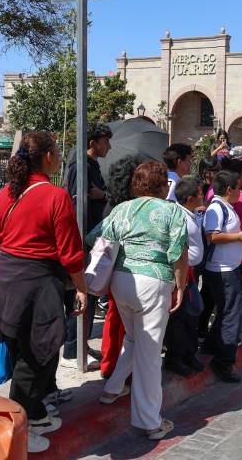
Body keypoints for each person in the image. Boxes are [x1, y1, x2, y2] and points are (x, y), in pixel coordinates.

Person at [0, 131, 87, 454]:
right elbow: (70, 251)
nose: (59, 156)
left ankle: (36, 412)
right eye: (57, 150)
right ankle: (19, 429)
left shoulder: (6, 194)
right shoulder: (55, 196)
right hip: (37, 282)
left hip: (7, 278)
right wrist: (82, 287)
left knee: (23, 349)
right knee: (37, 355)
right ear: (47, 157)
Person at [88, 161, 187, 442]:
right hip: (154, 282)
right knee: (149, 354)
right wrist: (180, 286)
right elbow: (179, 251)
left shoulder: (123, 208)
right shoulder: (171, 210)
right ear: (162, 185)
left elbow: (95, 237)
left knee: (134, 338)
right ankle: (150, 421)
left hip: (122, 282)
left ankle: (112, 389)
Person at [62, 123, 112, 368]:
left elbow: (100, 193)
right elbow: (74, 204)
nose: (109, 147)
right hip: (81, 242)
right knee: (80, 295)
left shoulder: (92, 166)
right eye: (105, 142)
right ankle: (73, 347)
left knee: (88, 294)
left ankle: (80, 343)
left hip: (91, 240)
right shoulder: (78, 167)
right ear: (93, 142)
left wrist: (101, 194)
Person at [97, 154, 148, 379]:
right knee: (119, 322)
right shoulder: (124, 208)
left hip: (120, 273)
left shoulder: (116, 205)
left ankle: (113, 365)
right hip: (124, 272)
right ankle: (113, 367)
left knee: (117, 320)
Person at [201, 170, 242, 382]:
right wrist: (239, 236)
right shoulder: (216, 207)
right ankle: (223, 362)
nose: (240, 192)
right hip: (221, 270)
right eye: (238, 188)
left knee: (226, 310)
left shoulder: (226, 207)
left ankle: (211, 345)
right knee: (233, 313)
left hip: (228, 268)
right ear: (229, 189)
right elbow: (212, 236)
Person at [163, 176, 206, 376]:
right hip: (182, 274)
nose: (203, 196)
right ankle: (175, 358)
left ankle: (189, 353)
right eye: (199, 194)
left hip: (191, 273)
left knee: (192, 314)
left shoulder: (191, 213)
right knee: (180, 318)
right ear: (190, 198)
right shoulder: (179, 217)